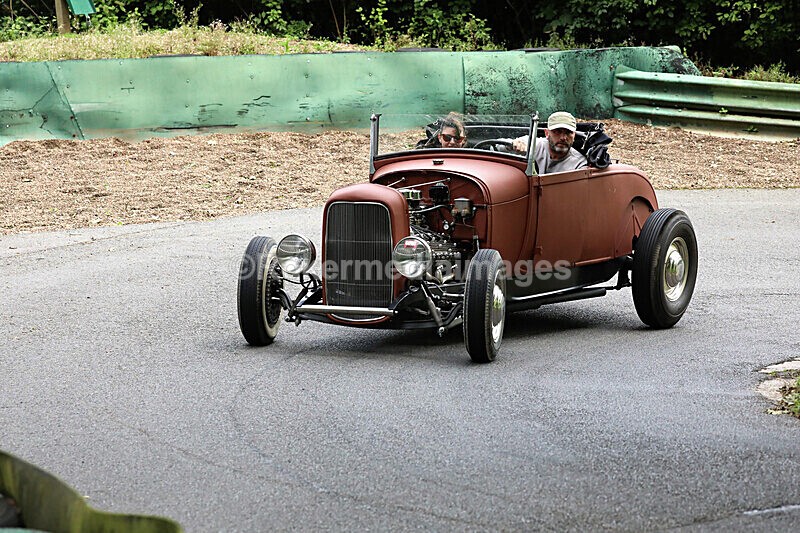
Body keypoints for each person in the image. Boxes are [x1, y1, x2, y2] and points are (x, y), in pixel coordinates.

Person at [512, 111, 588, 174]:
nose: (563, 138)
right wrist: (516, 144)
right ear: (547, 133)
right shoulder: (535, 145)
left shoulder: (579, 164)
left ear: (574, 135)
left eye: (568, 132)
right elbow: (507, 144)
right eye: (557, 131)